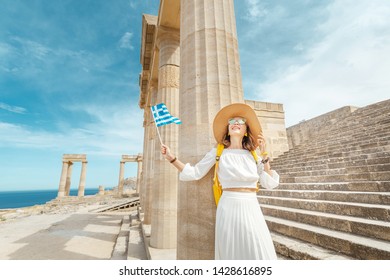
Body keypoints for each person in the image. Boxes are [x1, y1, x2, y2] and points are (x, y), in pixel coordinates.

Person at [160, 103, 279, 260]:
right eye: (232, 121)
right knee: (231, 252)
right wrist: (171, 158)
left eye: (241, 121)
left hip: (251, 206)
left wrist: (264, 154)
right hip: (228, 206)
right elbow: (195, 173)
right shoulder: (218, 152)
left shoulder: (254, 155)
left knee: (259, 251)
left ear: (245, 131)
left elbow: (269, 183)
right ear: (228, 129)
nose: (236, 123)